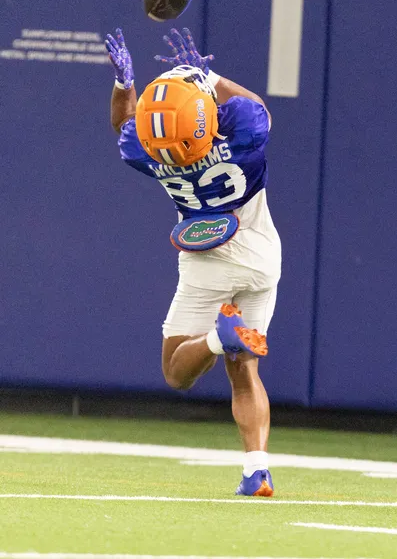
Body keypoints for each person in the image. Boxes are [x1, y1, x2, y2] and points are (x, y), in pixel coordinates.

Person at [105, 27, 282, 496]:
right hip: (262, 253)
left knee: (176, 371)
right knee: (244, 370)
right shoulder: (242, 131)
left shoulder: (149, 151)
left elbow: (125, 126)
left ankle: (216, 337)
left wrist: (126, 87)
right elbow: (257, 106)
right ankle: (256, 468)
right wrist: (210, 76)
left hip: (208, 259)